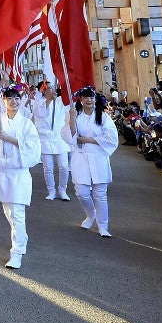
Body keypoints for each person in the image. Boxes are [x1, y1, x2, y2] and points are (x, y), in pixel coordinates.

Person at [0, 82, 42, 269]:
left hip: (18, 173)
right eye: (9, 97)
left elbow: (33, 148)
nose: (13, 101)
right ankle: (22, 237)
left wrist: (11, 139)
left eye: (16, 97)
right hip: (2, 173)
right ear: (3, 100)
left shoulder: (26, 123)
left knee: (17, 214)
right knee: (8, 212)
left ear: (21, 99)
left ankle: (16, 251)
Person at [63, 87, 118, 237]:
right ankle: (90, 214)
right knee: (82, 192)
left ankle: (103, 226)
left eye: (91, 97)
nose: (88, 100)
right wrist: (72, 119)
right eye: (85, 97)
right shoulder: (76, 115)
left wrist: (88, 140)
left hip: (98, 157)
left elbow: (111, 138)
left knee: (100, 194)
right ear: (80, 99)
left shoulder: (103, 116)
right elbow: (70, 137)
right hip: (80, 157)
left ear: (95, 99)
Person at [32, 80, 71, 201]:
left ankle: (62, 189)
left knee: (64, 167)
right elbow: (41, 113)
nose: (51, 89)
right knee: (48, 168)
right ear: (43, 91)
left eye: (52, 87)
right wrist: (49, 100)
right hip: (45, 138)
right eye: (48, 88)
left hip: (59, 138)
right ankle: (51, 191)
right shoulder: (37, 102)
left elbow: (70, 98)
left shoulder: (60, 101)